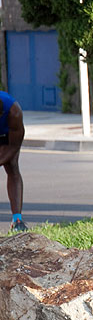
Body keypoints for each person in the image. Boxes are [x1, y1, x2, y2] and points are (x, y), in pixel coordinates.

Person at [0, 92, 25, 232]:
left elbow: (14, 146)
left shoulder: (14, 112)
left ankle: (17, 220)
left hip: (6, 133)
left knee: (12, 166)